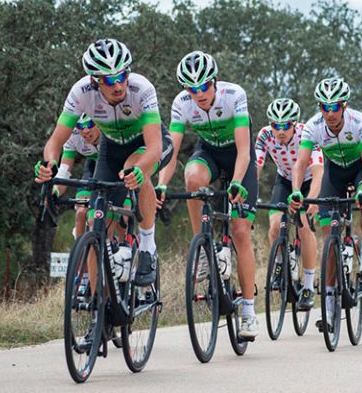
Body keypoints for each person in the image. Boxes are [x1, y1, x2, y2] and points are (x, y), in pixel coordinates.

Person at [35, 38, 173, 290]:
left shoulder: (142, 89)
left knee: (134, 166)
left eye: (122, 76)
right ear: (94, 81)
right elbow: (56, 141)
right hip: (112, 148)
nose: (118, 85)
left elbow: (154, 147)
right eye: (109, 80)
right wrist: (48, 165)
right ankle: (99, 310)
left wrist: (140, 170)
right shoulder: (80, 93)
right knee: (95, 222)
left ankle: (147, 247)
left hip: (149, 143)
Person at [156, 50, 258, 338]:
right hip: (210, 153)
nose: (199, 94)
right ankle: (201, 244)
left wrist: (237, 182)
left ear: (214, 81)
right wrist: (161, 183)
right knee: (192, 176)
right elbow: (171, 150)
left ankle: (249, 311)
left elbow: (244, 151)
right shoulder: (182, 103)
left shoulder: (233, 95)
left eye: (203, 87)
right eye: (192, 89)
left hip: (239, 158)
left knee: (240, 232)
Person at [288, 77, 362, 331]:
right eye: (324, 107)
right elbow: (300, 163)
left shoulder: (360, 122)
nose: (329, 113)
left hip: (361, 170)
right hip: (334, 174)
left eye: (334, 107)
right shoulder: (313, 126)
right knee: (328, 239)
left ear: (344, 105)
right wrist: (296, 191)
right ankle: (328, 309)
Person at [255, 98, 323, 309]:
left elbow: (319, 171)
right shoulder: (265, 135)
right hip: (284, 179)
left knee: (303, 226)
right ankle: (281, 265)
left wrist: (312, 200)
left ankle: (309, 286)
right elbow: (255, 166)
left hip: (310, 180)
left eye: (285, 126)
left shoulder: (307, 134)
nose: (280, 131)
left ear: (294, 124)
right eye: (276, 125)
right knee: (275, 226)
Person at [54, 114, 101, 239]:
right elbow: (64, 171)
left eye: (90, 124)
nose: (85, 130)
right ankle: (80, 252)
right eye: (80, 126)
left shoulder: (109, 130)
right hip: (92, 165)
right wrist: (54, 191)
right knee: (81, 212)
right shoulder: (72, 136)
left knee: (98, 218)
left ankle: (123, 242)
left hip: (114, 164)